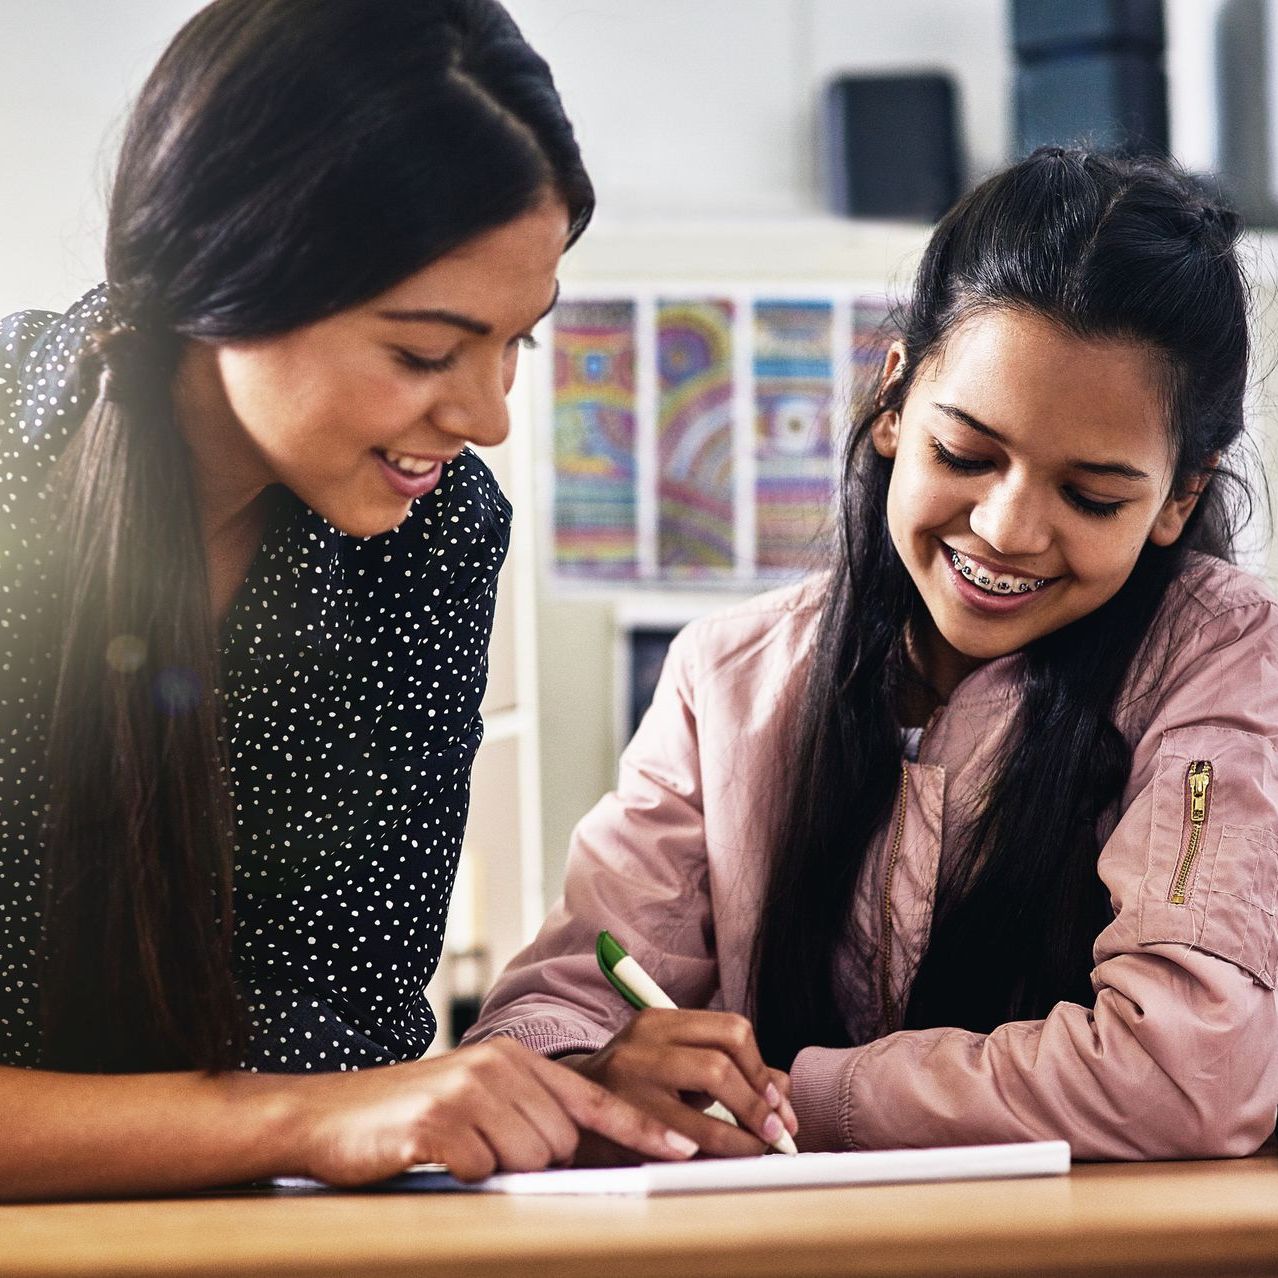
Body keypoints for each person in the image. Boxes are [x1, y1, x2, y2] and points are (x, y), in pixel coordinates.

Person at [0, 0, 722, 1200]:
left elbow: (345, 1042)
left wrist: (559, 1091)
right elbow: (320, 1105)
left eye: (517, 345)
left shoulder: (434, 538)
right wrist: (299, 1119)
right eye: (427, 352)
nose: (487, 416)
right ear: (225, 272)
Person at [466, 147, 1278, 1162]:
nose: (1008, 527)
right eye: (966, 454)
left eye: (1092, 496)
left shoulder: (1228, 661)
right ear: (893, 402)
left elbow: (1186, 1074)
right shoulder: (728, 676)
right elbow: (547, 1015)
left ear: (1180, 499)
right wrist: (595, 1071)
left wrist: (807, 1093)